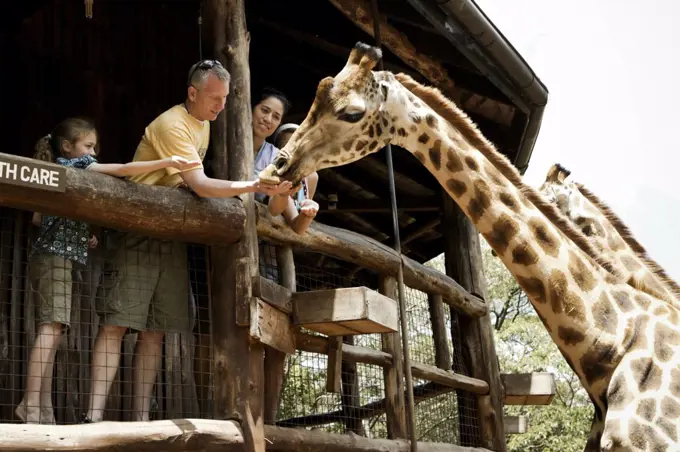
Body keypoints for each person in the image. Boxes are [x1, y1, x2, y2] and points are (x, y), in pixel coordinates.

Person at [83, 60, 291, 424]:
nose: (221, 106)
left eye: (226, 98)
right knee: (116, 323)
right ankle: (91, 417)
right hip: (139, 230)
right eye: (215, 98)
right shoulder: (171, 124)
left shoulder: (205, 123)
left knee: (156, 332)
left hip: (173, 236)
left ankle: (139, 422)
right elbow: (201, 184)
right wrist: (254, 186)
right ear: (192, 93)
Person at [16, 117, 200, 425]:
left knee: (55, 328)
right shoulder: (77, 166)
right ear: (67, 146)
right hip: (54, 259)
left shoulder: (60, 169)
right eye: (88, 146)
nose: (93, 153)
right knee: (50, 329)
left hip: (57, 257)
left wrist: (77, 233)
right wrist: (165, 161)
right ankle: (29, 403)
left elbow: (38, 219)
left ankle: (42, 405)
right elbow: (121, 170)